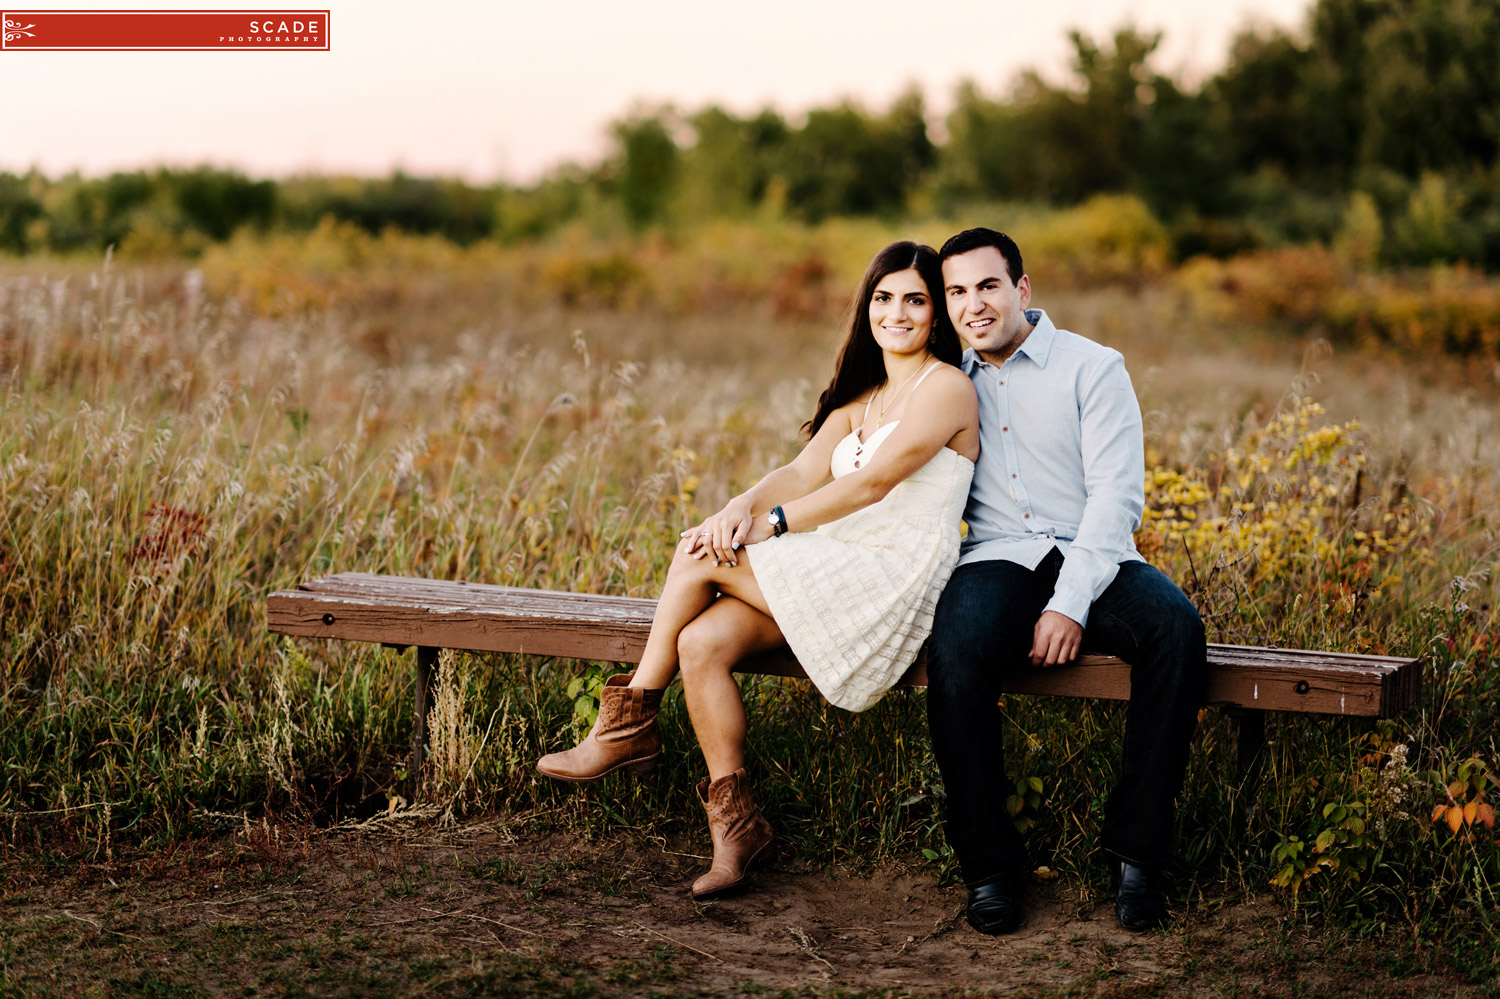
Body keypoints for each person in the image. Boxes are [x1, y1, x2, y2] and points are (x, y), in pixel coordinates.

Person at [536, 241, 979, 898]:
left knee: (695, 559)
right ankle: (735, 829)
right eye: (884, 298)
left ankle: (627, 724)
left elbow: (876, 482)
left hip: (894, 574)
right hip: (841, 561)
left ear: (935, 313)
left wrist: (769, 526)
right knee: (700, 641)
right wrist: (737, 508)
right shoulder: (866, 398)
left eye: (915, 299)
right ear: (868, 307)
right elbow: (799, 472)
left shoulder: (947, 387)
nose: (898, 312)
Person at [928, 228, 1206, 935]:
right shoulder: (945, 382)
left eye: (987, 286)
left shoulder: (1093, 367)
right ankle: (990, 868)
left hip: (1093, 551)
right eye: (957, 291)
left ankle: (1137, 855)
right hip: (995, 555)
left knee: (1175, 628)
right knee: (956, 651)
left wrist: (1068, 603)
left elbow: (1116, 499)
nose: (973, 304)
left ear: (1021, 289)